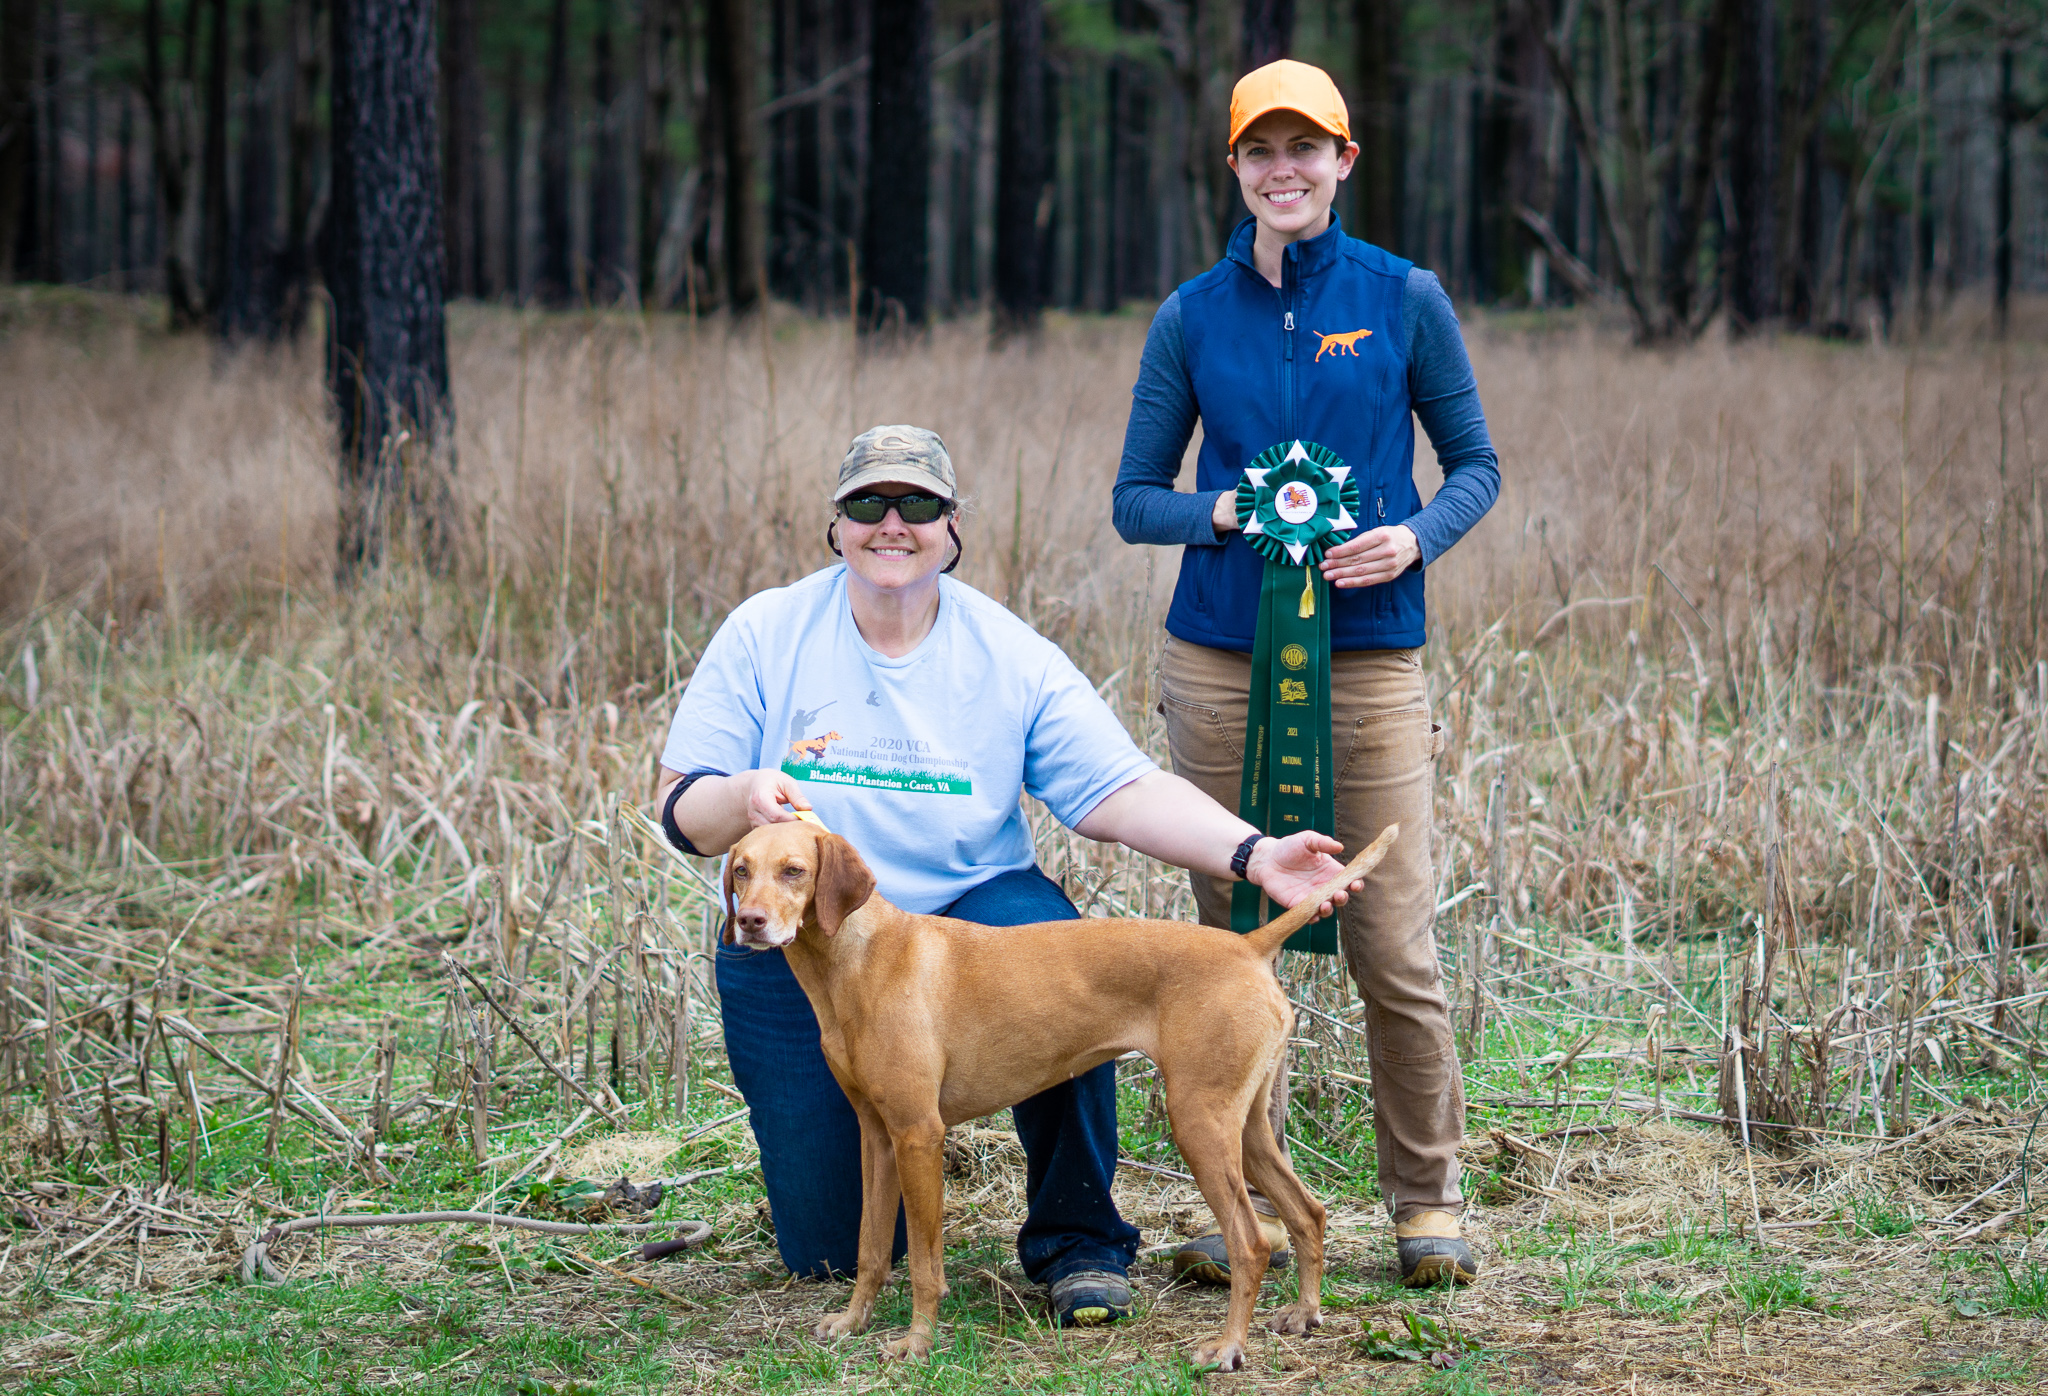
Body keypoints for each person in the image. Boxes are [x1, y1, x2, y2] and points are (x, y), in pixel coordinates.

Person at [658, 424, 1371, 1327]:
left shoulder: (1006, 650)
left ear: (952, 526)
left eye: (917, 504)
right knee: (825, 1249)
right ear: (833, 525)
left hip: (971, 914)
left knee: (1063, 958)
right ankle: (874, 1244)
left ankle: (1079, 1240)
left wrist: (1252, 852)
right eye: (865, 504)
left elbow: (1118, 787)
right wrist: (744, 794)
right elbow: (682, 809)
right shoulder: (765, 630)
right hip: (806, 922)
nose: (891, 524)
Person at [1111, 59, 1500, 1288]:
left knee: (1394, 948)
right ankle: (1243, 1207)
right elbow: (1133, 503)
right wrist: (1221, 512)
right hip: (1218, 665)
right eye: (1258, 151)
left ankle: (1424, 1205)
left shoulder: (1404, 298)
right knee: (1220, 960)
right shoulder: (1188, 314)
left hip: (1373, 662)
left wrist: (1416, 534)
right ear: (1232, 168)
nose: (1283, 170)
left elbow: (1476, 465)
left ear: (1342, 161)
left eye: (1306, 149)